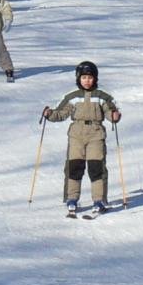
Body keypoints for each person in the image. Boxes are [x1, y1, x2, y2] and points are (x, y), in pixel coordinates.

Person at [42, 61, 121, 218]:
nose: (87, 81)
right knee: (74, 166)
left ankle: (99, 200)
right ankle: (72, 198)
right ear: (78, 78)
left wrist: (114, 117)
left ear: (95, 78)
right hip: (76, 134)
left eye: (90, 77)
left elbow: (110, 112)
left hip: (96, 133)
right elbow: (61, 113)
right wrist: (50, 114)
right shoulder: (72, 97)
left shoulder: (102, 97)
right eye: (84, 77)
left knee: (96, 166)